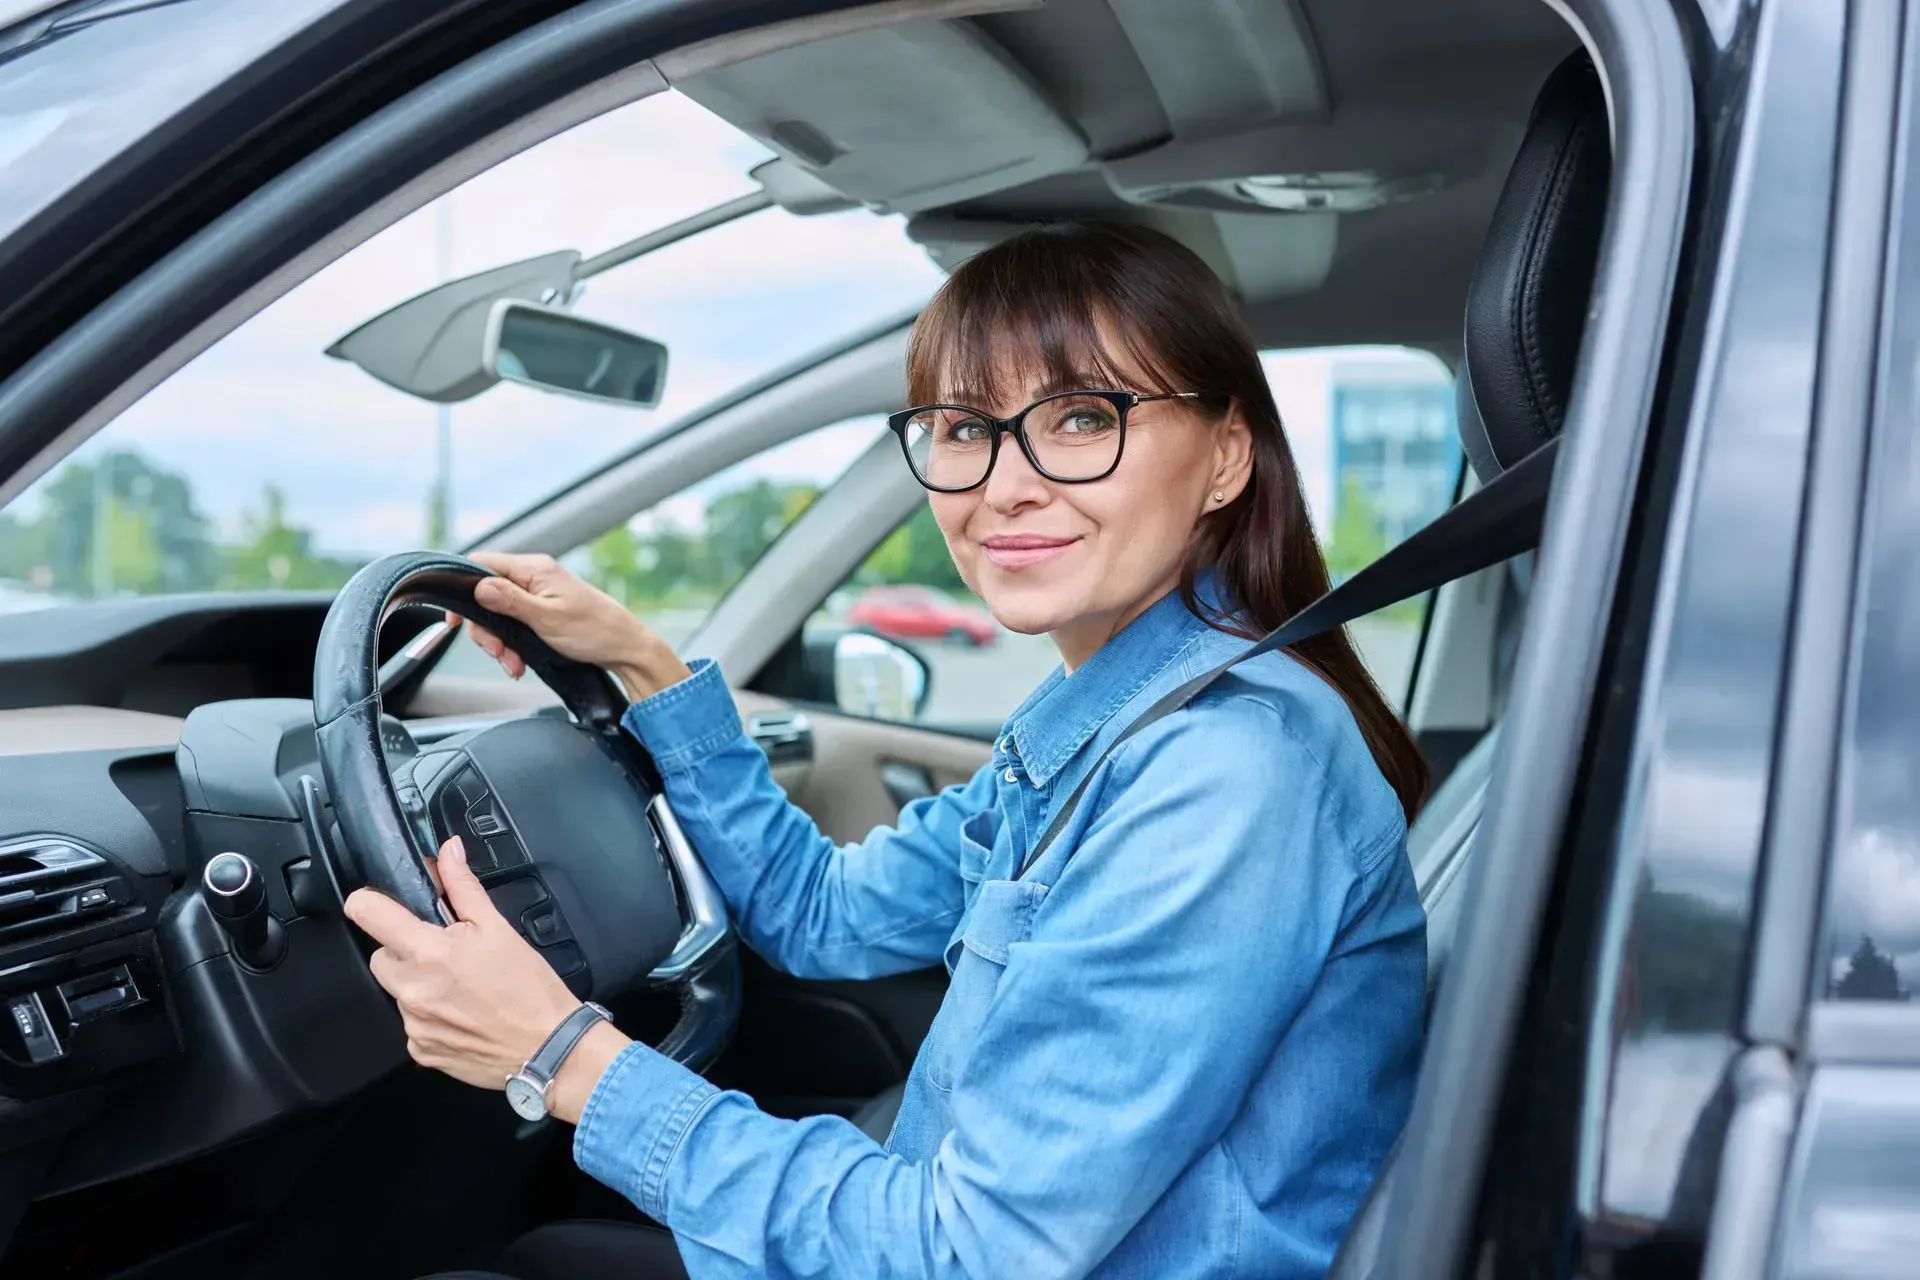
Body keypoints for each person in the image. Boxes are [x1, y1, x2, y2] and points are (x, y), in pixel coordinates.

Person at [349, 220, 1429, 1280]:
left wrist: (563, 1056)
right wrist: (642, 660)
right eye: (963, 428)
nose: (1003, 483)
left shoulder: (1221, 773)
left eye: (1081, 416)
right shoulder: (1104, 723)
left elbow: (970, 1250)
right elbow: (821, 913)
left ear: (1226, 456)